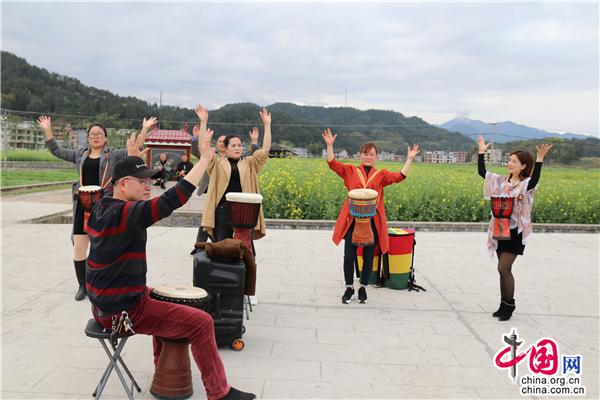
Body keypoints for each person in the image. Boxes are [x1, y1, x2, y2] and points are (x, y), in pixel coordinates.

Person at [86, 129, 255, 400]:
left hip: (105, 306)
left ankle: (163, 373)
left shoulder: (102, 205)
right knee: (201, 322)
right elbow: (170, 201)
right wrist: (204, 159)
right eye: (142, 181)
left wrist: (131, 157)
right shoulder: (126, 214)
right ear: (123, 184)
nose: (148, 185)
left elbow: (116, 181)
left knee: (167, 299)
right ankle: (219, 393)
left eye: (149, 180)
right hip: (122, 312)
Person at [37, 115, 156, 301]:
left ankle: (100, 282)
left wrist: (145, 129)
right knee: (79, 247)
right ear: (88, 137)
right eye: (92, 134)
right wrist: (47, 129)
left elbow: (135, 148)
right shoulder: (80, 154)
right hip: (82, 205)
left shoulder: (113, 155)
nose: (95, 136)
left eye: (99, 133)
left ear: (105, 138)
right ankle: (82, 286)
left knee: (103, 246)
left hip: (104, 205)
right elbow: (57, 151)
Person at [323, 128, 420, 304]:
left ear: (376, 157)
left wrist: (410, 159)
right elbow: (332, 163)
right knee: (349, 255)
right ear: (360, 155)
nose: (368, 157)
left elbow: (400, 176)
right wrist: (330, 145)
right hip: (353, 220)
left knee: (369, 256)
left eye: (372, 154)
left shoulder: (381, 175)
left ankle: (363, 287)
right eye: (365, 153)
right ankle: (349, 288)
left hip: (373, 222)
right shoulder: (350, 171)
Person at [477, 135, 552, 321]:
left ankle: (510, 306)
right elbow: (482, 172)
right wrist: (481, 152)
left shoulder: (526, 185)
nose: (509, 164)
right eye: (509, 160)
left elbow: (534, 179)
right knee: (502, 270)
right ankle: (503, 305)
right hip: (500, 230)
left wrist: (539, 160)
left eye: (514, 161)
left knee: (503, 268)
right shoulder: (501, 181)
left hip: (516, 232)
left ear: (523, 166)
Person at [189, 106, 263, 252]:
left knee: (241, 241)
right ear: (219, 145)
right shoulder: (214, 158)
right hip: (217, 198)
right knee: (210, 224)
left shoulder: (241, 159)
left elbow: (256, 157)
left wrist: (254, 142)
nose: (223, 143)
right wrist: (199, 133)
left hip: (239, 206)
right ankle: (200, 247)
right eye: (220, 141)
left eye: (238, 145)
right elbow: (200, 150)